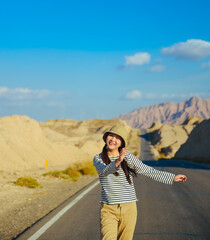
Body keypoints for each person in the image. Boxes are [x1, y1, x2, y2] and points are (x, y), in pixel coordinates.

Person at [93, 125, 187, 240]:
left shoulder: (128, 157)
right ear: (106, 137)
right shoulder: (98, 159)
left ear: (121, 142)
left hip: (129, 208)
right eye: (111, 136)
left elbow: (146, 170)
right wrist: (119, 160)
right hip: (108, 209)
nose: (113, 139)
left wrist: (172, 177)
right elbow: (106, 170)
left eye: (117, 138)